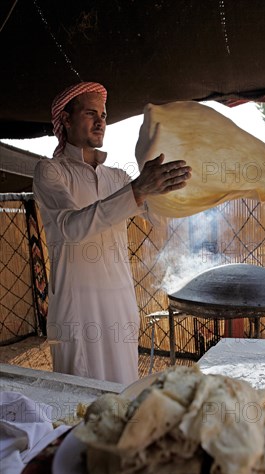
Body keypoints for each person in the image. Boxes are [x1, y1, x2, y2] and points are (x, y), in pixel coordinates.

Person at [33, 82, 191, 385]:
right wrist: (138, 190)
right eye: (91, 113)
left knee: (122, 397)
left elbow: (159, 216)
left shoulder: (117, 177)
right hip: (76, 310)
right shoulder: (50, 172)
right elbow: (71, 227)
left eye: (103, 115)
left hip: (120, 307)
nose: (100, 121)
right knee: (80, 404)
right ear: (65, 119)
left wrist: (177, 187)